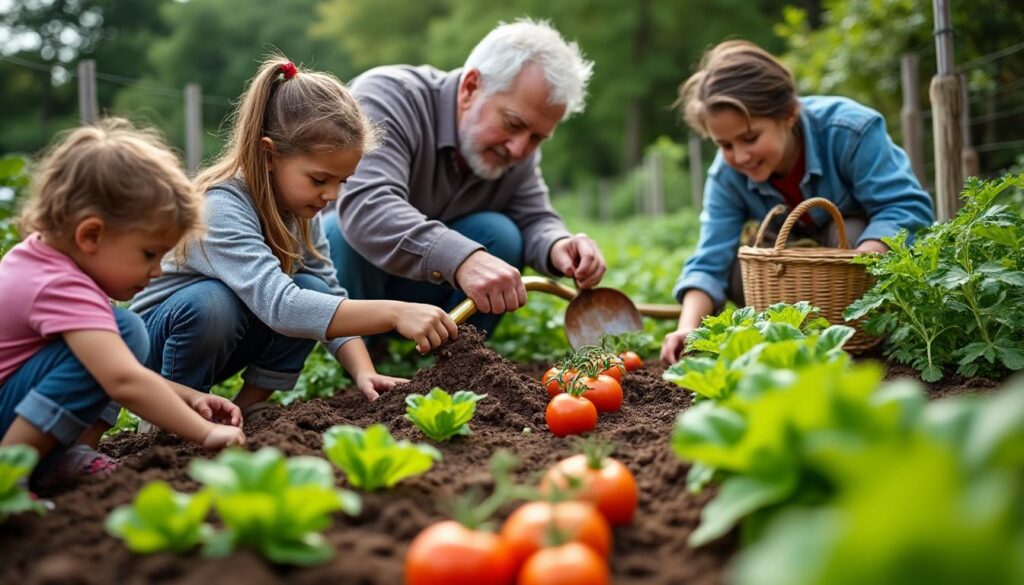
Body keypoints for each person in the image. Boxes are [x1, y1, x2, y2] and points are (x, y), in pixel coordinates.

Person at [131, 56, 458, 409]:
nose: (331, 195)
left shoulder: (300, 211)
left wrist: (364, 371)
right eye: (319, 179)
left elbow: (328, 291)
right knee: (215, 303)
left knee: (313, 290)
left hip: (225, 338)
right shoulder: (221, 207)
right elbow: (282, 307)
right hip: (151, 351)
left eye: (342, 182)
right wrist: (395, 312)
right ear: (269, 154)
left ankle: (245, 408)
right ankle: (167, 415)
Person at [0, 119, 246, 486]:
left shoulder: (41, 262)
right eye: (149, 254)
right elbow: (122, 379)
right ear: (91, 234)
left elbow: (111, 367)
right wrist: (205, 431)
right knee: (127, 330)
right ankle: (9, 477)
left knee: (119, 334)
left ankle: (50, 463)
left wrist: (190, 397)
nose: (157, 271)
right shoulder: (58, 284)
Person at [324, 18, 607, 336]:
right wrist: (461, 259)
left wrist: (558, 245)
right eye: (513, 123)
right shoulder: (388, 96)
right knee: (339, 231)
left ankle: (457, 356)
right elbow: (368, 204)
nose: (519, 149)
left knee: (501, 234)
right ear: (471, 87)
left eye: (538, 138)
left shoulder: (516, 147)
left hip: (427, 292)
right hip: (357, 290)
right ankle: (360, 349)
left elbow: (533, 217)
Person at [660, 40, 934, 364]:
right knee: (741, 267)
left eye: (750, 138)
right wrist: (688, 327)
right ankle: (783, 340)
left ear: (788, 115)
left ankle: (864, 336)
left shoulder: (850, 131)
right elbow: (710, 260)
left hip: (852, 265)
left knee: (852, 230)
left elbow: (905, 207)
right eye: (725, 145)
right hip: (786, 281)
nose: (740, 156)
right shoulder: (726, 175)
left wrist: (855, 266)